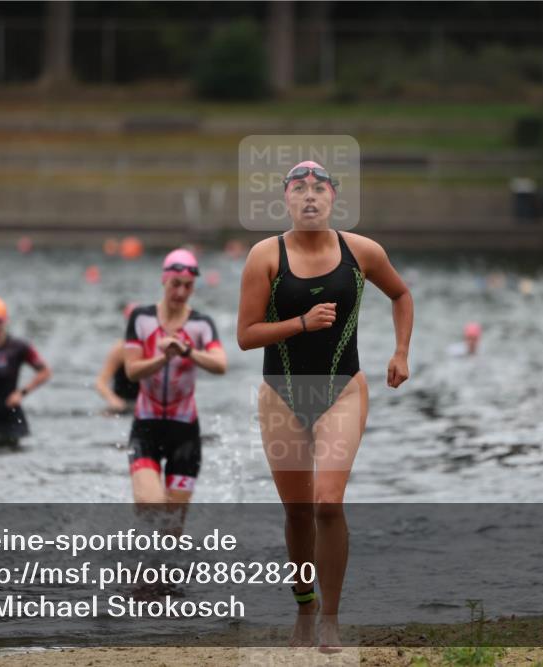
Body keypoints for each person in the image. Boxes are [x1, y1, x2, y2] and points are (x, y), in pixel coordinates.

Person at [236, 161, 413, 651]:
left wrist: (400, 352)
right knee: (296, 511)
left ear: (334, 198)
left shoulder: (362, 252)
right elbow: (246, 336)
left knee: (328, 503)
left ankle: (331, 619)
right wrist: (301, 323)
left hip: (343, 390)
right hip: (282, 393)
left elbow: (400, 294)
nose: (309, 196)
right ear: (285, 200)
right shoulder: (264, 256)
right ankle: (305, 610)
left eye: (319, 188)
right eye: (299, 189)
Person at [122, 249, 227, 506]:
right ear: (164, 281)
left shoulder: (201, 324)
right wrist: (164, 359)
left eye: (188, 286)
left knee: (172, 525)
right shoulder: (141, 318)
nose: (181, 292)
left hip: (185, 432)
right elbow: (132, 371)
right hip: (146, 426)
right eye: (175, 284)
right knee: (151, 504)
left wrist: (187, 351)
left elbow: (221, 365)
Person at [0, 296, 51, 447]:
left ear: (5, 321)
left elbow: (45, 372)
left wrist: (21, 393)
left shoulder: (18, 347)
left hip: (9, 416)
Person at [95, 302, 141, 414]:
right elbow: (100, 382)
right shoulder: (120, 348)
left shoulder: (152, 346)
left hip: (141, 406)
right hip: (123, 406)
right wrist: (114, 401)